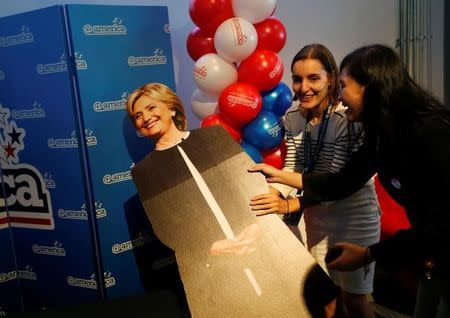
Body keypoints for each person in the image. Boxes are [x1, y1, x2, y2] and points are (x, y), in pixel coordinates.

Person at [249, 44, 450, 318]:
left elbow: (437, 224)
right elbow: (345, 180)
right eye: (297, 79)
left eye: (343, 85)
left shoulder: (430, 134)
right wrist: (279, 182)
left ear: (371, 87)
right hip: (432, 251)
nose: (340, 95)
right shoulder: (380, 132)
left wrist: (370, 253)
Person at [127, 82, 339, 317]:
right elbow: (166, 227)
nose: (146, 117)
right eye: (137, 116)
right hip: (210, 271)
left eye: (151, 108)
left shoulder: (214, 136)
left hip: (264, 244)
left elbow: (249, 186)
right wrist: (209, 249)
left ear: (171, 108)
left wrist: (256, 229)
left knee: (317, 304)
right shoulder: (143, 172)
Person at [250, 44, 380, 318]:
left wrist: (291, 204)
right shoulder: (293, 118)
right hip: (317, 217)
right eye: (297, 79)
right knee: (326, 297)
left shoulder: (347, 117)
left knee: (356, 300)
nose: (303, 87)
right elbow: (292, 166)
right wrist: (270, 192)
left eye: (313, 78)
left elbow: (337, 182)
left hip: (354, 216)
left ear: (331, 79)